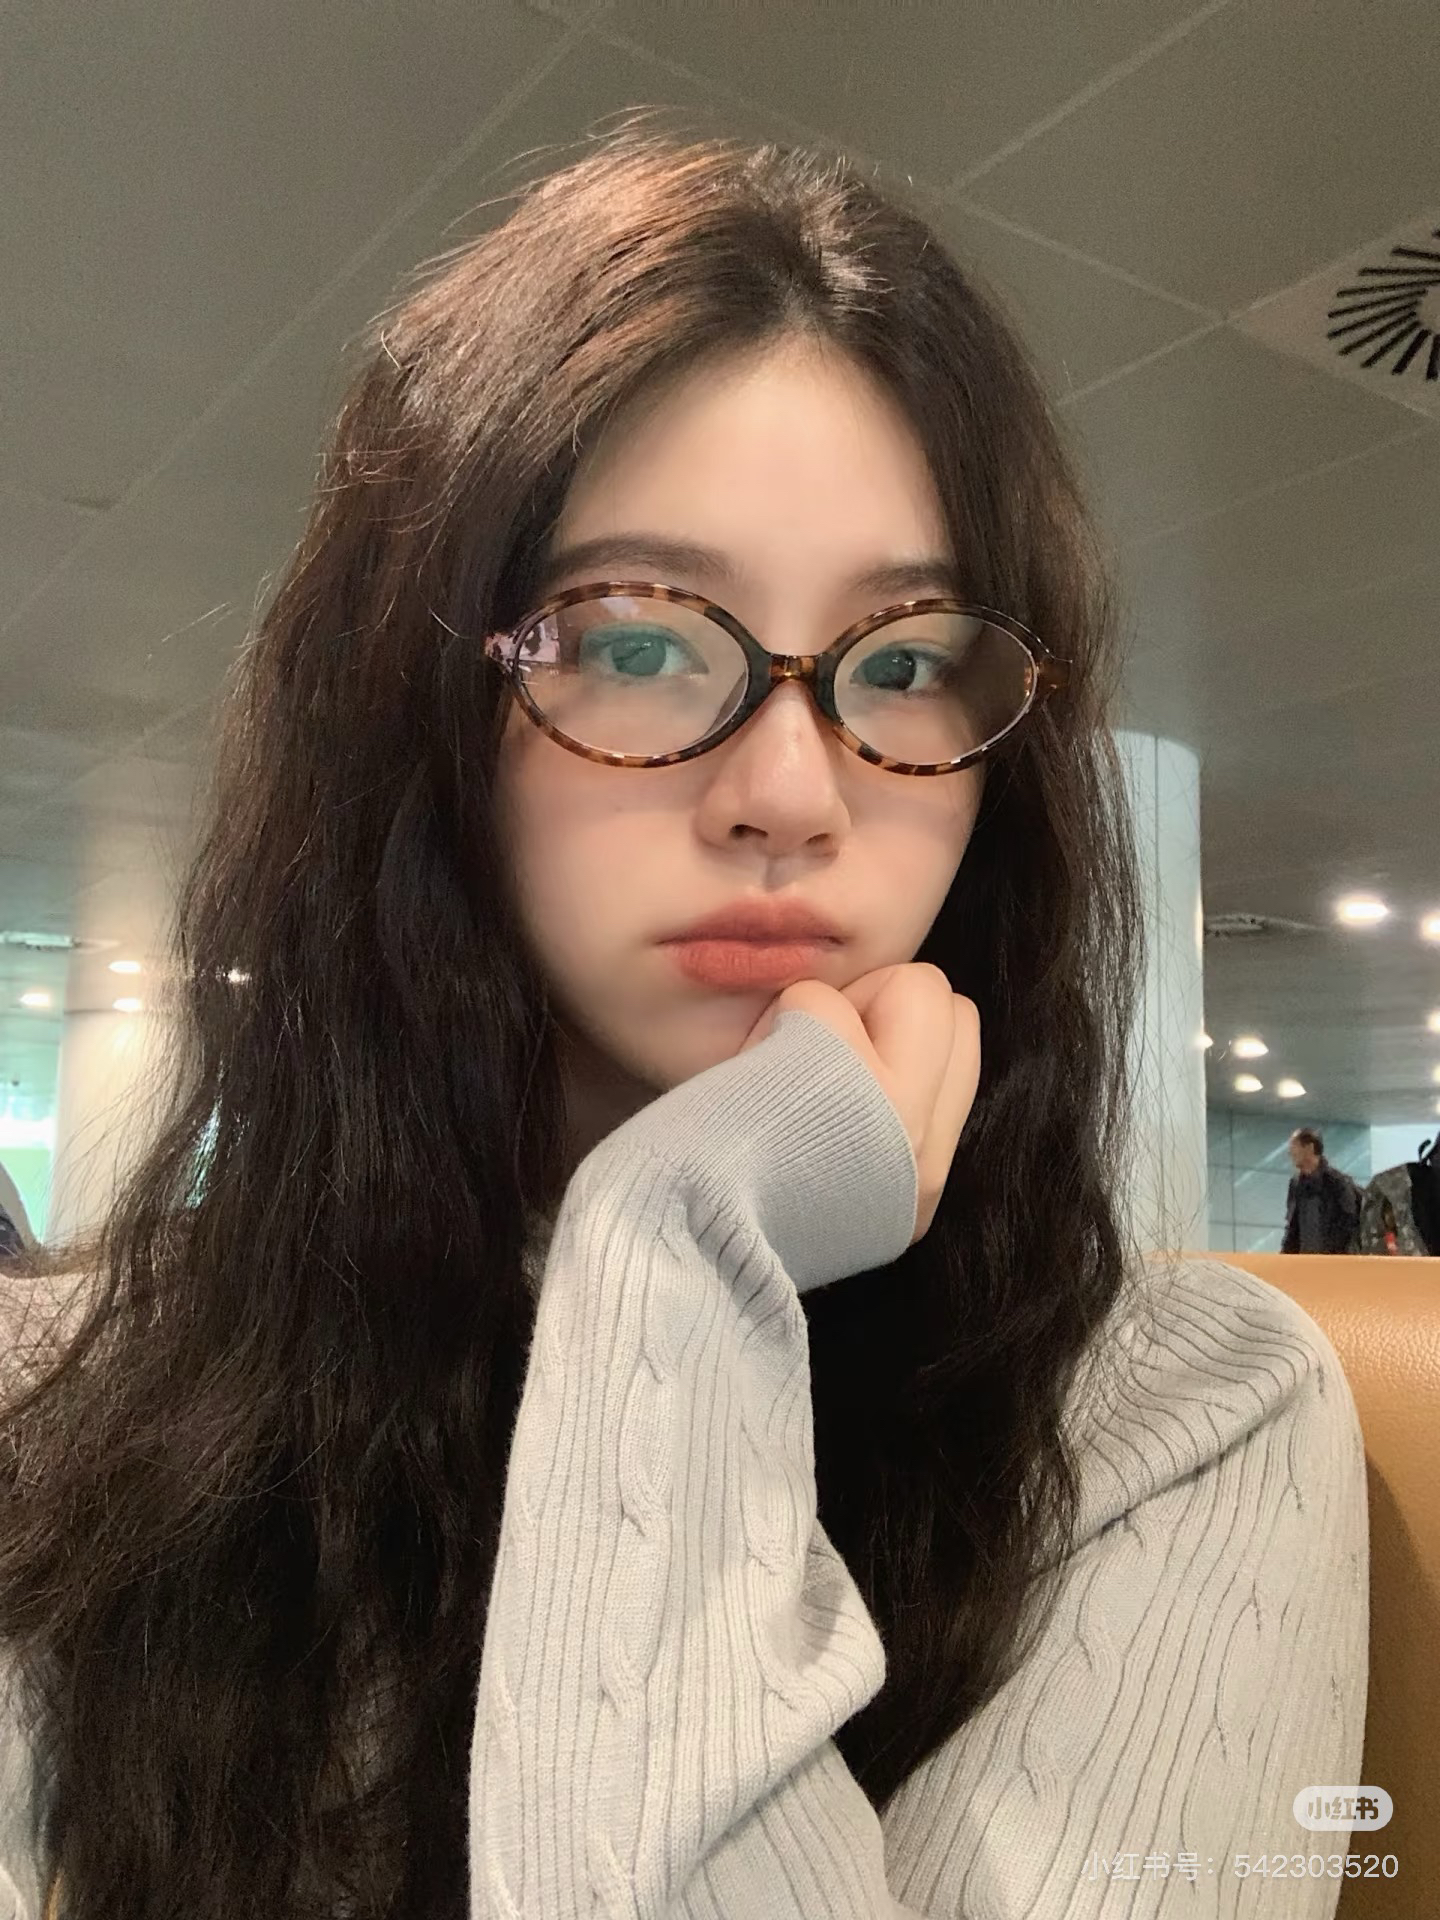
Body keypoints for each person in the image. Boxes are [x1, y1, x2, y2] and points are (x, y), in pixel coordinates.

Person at [0, 130, 1366, 1919]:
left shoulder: (1179, 1418)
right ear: (415, 711)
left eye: (903, 663)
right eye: (638, 642)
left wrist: (682, 1252)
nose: (790, 793)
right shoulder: (64, 1412)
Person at [1283, 1127, 1362, 1254]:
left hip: (1333, 1261)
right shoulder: (1296, 1184)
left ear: (1309, 1148)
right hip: (1304, 1261)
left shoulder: (1337, 1182)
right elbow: (1292, 1228)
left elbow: (1349, 1224)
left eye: (1294, 1146)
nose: (1290, 1152)